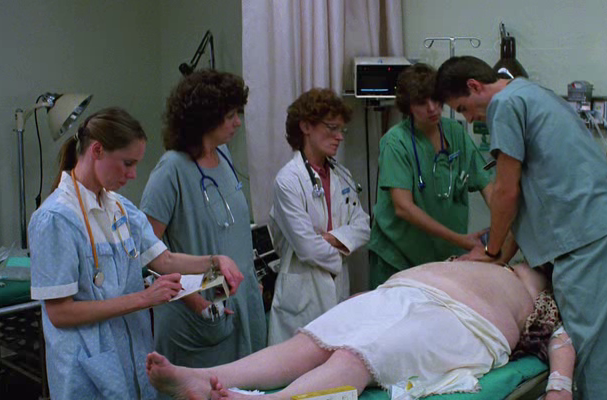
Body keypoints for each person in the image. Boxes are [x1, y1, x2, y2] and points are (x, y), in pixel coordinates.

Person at [434, 56, 607, 399]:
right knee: (603, 332)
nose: (469, 119)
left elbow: (506, 192)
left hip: (590, 235)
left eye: (463, 109)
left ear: (474, 86)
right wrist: (501, 255)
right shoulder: (532, 93)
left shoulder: (504, 105)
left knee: (594, 354)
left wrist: (492, 252)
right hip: (604, 223)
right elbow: (525, 200)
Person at [28, 107, 245, 399]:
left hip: (132, 357)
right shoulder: (56, 219)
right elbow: (60, 313)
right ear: (97, 150)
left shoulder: (120, 209)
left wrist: (214, 262)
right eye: (127, 163)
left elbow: (164, 260)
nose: (132, 175)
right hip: (86, 368)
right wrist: (144, 298)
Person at [146, 260, 575, 400]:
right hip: (404, 290)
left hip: (465, 321)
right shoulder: (496, 256)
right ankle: (203, 378)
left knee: (359, 355)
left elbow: (562, 339)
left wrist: (560, 387)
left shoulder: (554, 295)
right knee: (313, 341)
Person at [140, 70, 267, 371]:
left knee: (246, 384)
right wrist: (199, 305)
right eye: (230, 115)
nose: (238, 122)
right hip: (196, 313)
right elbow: (147, 254)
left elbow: (233, 233)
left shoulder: (224, 156)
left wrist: (252, 282)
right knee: (201, 386)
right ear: (206, 118)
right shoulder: (171, 170)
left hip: (238, 301)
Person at [368, 63, 515, 289]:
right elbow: (403, 207)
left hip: (445, 258)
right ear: (408, 107)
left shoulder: (455, 133)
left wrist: (502, 237)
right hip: (399, 259)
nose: (432, 108)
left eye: (436, 100)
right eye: (422, 103)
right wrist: (462, 240)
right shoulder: (395, 143)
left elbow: (489, 189)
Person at [268, 88, 370, 345]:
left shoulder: (342, 175)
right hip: (302, 293)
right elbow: (307, 249)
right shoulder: (288, 180)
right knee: (297, 363)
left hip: (337, 286)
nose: (339, 136)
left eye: (342, 130)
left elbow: (363, 226)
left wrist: (331, 238)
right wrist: (341, 249)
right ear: (306, 127)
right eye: (332, 128)